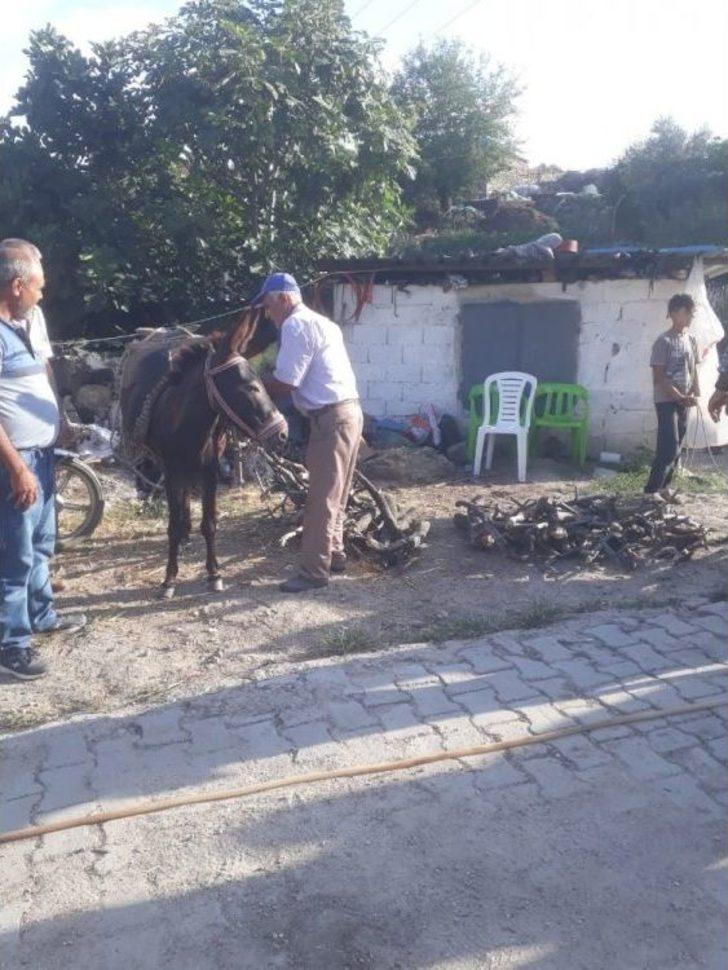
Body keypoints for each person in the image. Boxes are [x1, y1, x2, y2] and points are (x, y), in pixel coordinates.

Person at [0, 244, 85, 680]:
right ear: (17, 286)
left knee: (40, 544)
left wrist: (59, 420)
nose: (41, 294)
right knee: (12, 556)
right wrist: (16, 468)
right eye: (38, 287)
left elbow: (42, 377)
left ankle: (42, 615)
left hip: (43, 452)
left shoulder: (27, 323)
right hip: (15, 462)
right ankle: (12, 646)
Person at [254, 273, 363, 593]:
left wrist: (253, 385)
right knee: (336, 493)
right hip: (348, 413)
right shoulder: (324, 323)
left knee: (321, 499)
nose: (267, 313)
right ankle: (335, 554)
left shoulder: (295, 325)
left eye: (268, 306)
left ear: (284, 299)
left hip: (330, 418)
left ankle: (314, 572)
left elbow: (287, 382)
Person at [644, 293, 700, 495]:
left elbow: (694, 369)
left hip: (684, 401)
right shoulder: (663, 341)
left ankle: (665, 489)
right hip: (666, 401)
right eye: (689, 312)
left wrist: (696, 394)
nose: (692, 317)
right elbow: (659, 378)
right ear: (675, 313)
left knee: (677, 450)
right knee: (668, 448)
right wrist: (679, 397)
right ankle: (651, 492)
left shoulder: (691, 340)